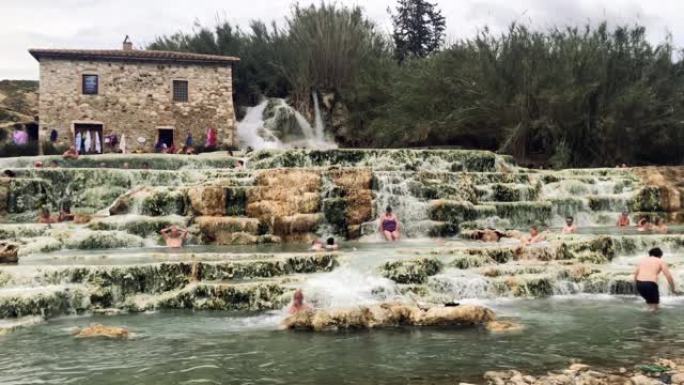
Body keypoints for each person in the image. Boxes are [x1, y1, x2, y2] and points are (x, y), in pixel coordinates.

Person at [634, 247, 677, 311]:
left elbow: (635, 275)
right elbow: (668, 276)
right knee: (655, 308)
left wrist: (637, 285)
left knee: (650, 305)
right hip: (650, 284)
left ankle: (646, 319)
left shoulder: (642, 261)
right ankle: (651, 320)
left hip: (639, 284)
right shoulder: (660, 261)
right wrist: (673, 288)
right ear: (660, 255)